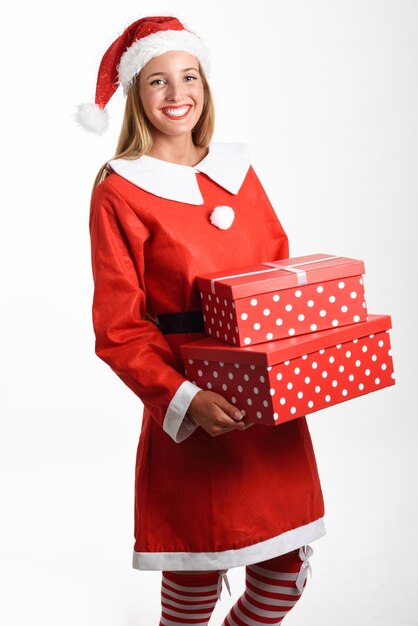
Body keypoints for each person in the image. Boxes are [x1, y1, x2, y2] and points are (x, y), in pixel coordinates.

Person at [76, 15, 326, 626]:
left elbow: (278, 276)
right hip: (190, 396)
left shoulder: (238, 173)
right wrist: (183, 397)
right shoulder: (119, 190)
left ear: (206, 86)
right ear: (137, 95)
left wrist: (298, 359)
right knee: (195, 573)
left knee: (285, 568)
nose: (177, 92)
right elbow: (119, 328)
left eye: (189, 76)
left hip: (266, 400)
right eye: (157, 81)